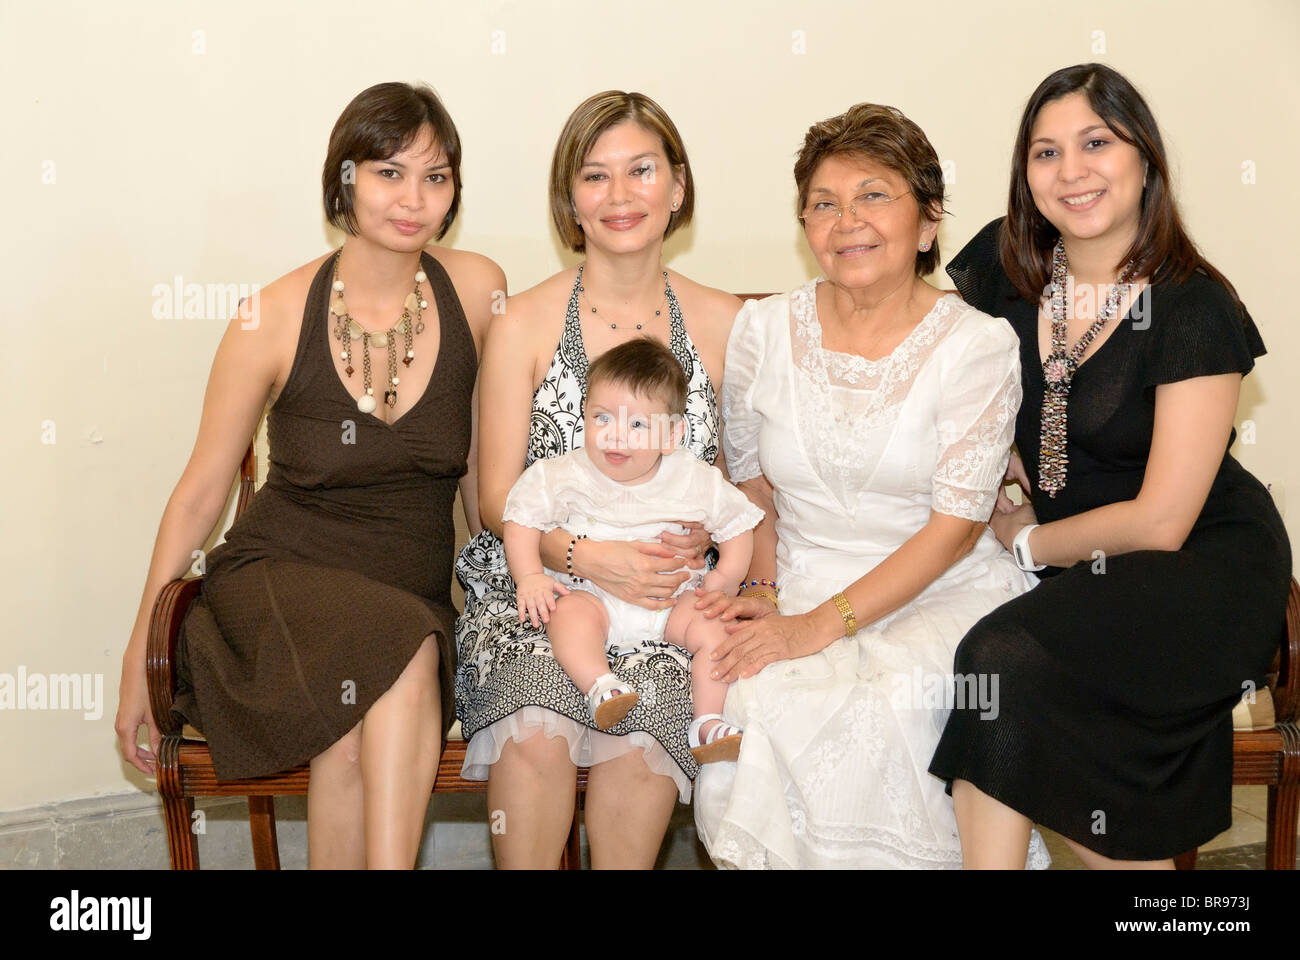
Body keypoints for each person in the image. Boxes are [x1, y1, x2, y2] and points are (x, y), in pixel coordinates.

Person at [113, 82, 501, 869]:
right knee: (403, 650)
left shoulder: (478, 290)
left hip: (406, 588)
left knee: (372, 700)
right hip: (280, 579)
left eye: (436, 176)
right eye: (390, 173)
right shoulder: (274, 313)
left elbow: (484, 473)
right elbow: (201, 491)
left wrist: (512, 583)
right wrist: (136, 652)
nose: (413, 198)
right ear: (346, 179)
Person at [927, 63, 1292, 869]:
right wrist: (1000, 479)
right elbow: (947, 387)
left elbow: (1163, 521)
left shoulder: (1196, 308)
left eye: (1096, 143)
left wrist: (1025, 544)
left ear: (1145, 159)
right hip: (1085, 564)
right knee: (1006, 674)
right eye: (1045, 153)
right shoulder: (999, 266)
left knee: (1000, 657)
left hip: (1199, 562)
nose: (1072, 172)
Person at [690, 103, 1050, 869]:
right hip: (803, 577)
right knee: (757, 699)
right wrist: (766, 589)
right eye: (823, 203)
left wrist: (818, 627)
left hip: (940, 590)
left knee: (885, 709)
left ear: (927, 222)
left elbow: (955, 528)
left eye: (873, 195)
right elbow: (751, 487)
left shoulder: (978, 346)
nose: (846, 220)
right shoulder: (763, 330)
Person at [454, 90, 742, 868]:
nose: (620, 196)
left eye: (641, 171)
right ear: (568, 200)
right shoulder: (523, 322)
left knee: (642, 731)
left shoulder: (723, 325)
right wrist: (584, 558)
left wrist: (724, 569)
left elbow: (747, 492)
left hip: (667, 601)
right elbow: (493, 497)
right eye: (595, 176)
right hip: (537, 589)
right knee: (539, 732)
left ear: (677, 187)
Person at [503, 338, 764, 760]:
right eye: (601, 418)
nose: (615, 436)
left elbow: (739, 523)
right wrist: (530, 575)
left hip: (673, 602)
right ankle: (600, 685)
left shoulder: (692, 478)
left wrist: (723, 581)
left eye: (637, 425)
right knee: (567, 615)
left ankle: (707, 722)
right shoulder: (565, 473)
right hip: (593, 597)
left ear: (673, 434)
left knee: (716, 632)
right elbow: (520, 517)